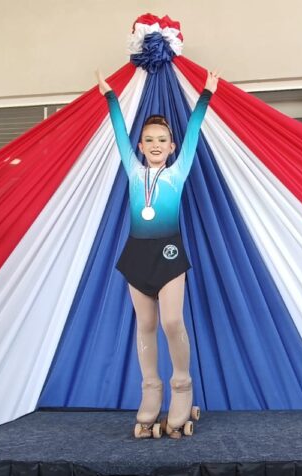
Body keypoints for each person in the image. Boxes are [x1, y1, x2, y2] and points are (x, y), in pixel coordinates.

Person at [96, 69, 218, 438]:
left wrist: (206, 95)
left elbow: (194, 129)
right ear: (140, 145)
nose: (154, 144)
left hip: (168, 253)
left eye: (162, 139)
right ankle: (151, 388)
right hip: (137, 254)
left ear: (172, 147)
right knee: (145, 325)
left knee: (172, 322)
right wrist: (110, 97)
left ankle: (182, 385)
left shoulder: (178, 172)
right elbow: (119, 130)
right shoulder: (134, 171)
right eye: (148, 139)